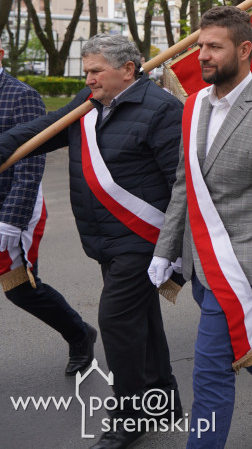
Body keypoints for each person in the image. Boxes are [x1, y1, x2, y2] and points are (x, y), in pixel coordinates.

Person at [0, 34, 182, 449]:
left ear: (128, 69)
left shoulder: (162, 110)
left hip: (143, 238)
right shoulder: (89, 102)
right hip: (105, 237)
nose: (89, 79)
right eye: (87, 72)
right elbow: (42, 130)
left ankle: (130, 416)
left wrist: (172, 250)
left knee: (117, 322)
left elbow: (181, 185)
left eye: (96, 71)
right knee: (143, 321)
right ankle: (162, 399)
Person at [149, 7, 252, 448]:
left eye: (213, 47)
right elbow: (186, 184)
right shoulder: (194, 106)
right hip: (203, 264)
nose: (202, 55)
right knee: (250, 346)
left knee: (209, 376)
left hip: (244, 272)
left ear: (244, 50)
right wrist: (165, 250)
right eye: (200, 45)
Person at [0, 42, 95, 377]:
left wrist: (12, 220)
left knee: (20, 289)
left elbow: (31, 160)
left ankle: (79, 334)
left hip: (8, 207)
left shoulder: (20, 95)